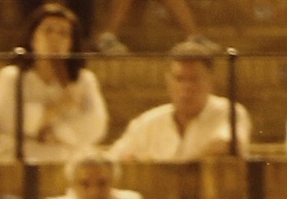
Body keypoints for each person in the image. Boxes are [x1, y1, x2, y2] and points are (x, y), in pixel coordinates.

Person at [0, 2, 108, 161]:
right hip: (20, 160)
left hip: (68, 160)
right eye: (48, 30)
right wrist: (54, 109)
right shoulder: (12, 77)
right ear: (33, 37)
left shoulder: (84, 80)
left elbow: (96, 125)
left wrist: (56, 133)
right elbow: (5, 117)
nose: (55, 38)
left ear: (71, 44)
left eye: (63, 33)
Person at [106, 39, 251, 160]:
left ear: (210, 80)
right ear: (168, 81)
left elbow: (228, 144)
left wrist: (177, 171)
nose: (186, 87)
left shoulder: (229, 111)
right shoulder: (148, 122)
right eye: (179, 79)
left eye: (194, 79)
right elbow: (114, 159)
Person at [41, 149, 151, 199]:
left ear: (113, 182)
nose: (94, 192)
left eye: (102, 183)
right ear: (73, 185)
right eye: (85, 184)